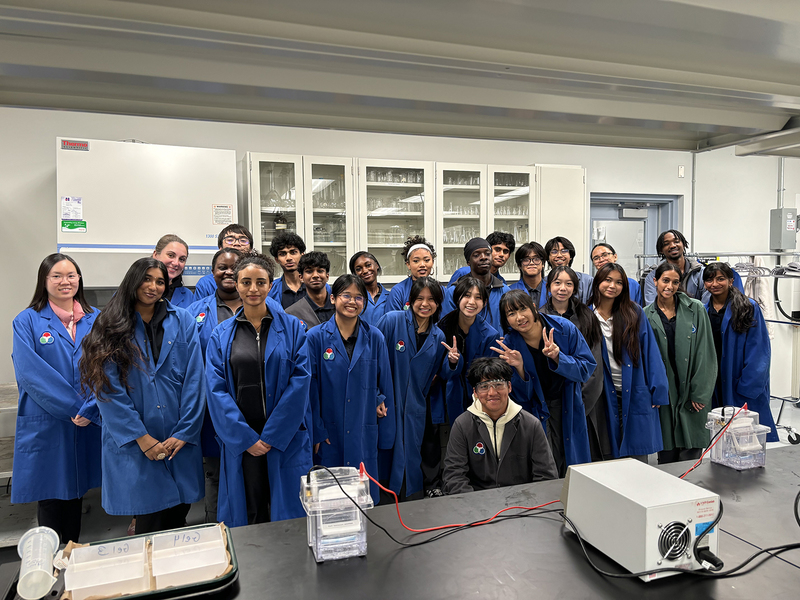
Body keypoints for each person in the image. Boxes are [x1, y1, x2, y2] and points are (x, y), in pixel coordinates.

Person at [80, 258, 205, 534]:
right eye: (147, 279)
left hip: (177, 438)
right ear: (133, 282)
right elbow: (107, 389)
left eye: (160, 281)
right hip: (136, 441)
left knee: (177, 520)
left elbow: (195, 379)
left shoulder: (182, 319)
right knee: (148, 523)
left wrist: (185, 432)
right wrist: (143, 439)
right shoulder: (110, 323)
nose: (153, 287)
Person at [205, 255, 313, 526]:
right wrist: (246, 438)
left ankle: (289, 567)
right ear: (237, 285)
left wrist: (273, 435)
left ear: (270, 285)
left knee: (287, 512)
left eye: (260, 282)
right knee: (250, 511)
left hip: (283, 436)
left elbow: (300, 382)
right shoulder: (220, 335)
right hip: (243, 439)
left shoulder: (293, 328)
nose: (253, 289)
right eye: (246, 282)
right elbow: (216, 390)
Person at [11, 254, 101, 543]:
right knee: (50, 492)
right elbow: (30, 373)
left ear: (79, 279)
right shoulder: (27, 321)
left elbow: (108, 366)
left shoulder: (96, 319)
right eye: (57, 276)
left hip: (87, 418)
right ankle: (50, 560)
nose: (65, 281)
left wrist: (92, 408)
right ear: (44, 281)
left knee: (75, 490)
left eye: (71, 275)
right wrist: (77, 408)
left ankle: (70, 556)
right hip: (49, 419)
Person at [307, 274, 396, 502]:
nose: (352, 302)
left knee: (363, 495)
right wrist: (317, 429)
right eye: (346, 295)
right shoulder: (315, 338)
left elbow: (383, 381)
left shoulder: (374, 337)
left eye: (359, 297)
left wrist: (378, 398)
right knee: (329, 499)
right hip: (329, 430)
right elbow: (309, 389)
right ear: (333, 299)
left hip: (362, 428)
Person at [376, 277, 462, 500]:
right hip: (386, 402)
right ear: (411, 300)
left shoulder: (438, 336)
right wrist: (376, 396)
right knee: (384, 453)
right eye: (420, 299)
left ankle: (410, 500)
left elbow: (440, 373)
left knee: (412, 454)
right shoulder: (391, 321)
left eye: (431, 300)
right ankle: (382, 499)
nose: (425, 304)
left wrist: (452, 361)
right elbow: (371, 358)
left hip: (415, 406)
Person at [493, 289, 595, 476]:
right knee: (543, 464)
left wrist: (558, 358)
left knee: (572, 461)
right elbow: (519, 396)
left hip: (567, 404)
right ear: (505, 320)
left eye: (522, 309)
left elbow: (586, 369)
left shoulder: (563, 328)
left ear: (533, 308)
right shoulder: (509, 345)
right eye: (511, 313)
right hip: (534, 411)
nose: (519, 317)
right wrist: (520, 368)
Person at [185, 247, 243, 523]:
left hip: (252, 403)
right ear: (212, 273)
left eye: (235, 267)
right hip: (211, 407)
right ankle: (215, 527)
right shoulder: (194, 312)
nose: (228, 272)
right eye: (222, 267)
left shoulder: (263, 306)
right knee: (216, 470)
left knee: (252, 469)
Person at [442, 358, 557, 494]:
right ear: (475, 392)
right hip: (476, 504)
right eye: (484, 386)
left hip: (521, 503)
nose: (492, 393)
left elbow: (546, 477)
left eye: (498, 384)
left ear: (509, 387)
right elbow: (454, 476)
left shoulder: (531, 425)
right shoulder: (462, 424)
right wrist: (474, 508)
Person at [590, 263, 669, 461]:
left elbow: (650, 352)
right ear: (598, 281)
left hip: (635, 390)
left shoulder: (634, 313)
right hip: (602, 394)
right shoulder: (587, 315)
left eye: (618, 282)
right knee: (607, 454)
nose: (612, 286)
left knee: (637, 456)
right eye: (607, 280)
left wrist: (657, 391)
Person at [644, 263, 716, 464]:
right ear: (655, 281)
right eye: (665, 280)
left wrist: (700, 392)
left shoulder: (696, 309)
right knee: (666, 455)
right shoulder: (645, 315)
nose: (670, 286)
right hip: (665, 394)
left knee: (691, 455)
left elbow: (706, 353)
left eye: (675, 282)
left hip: (692, 393)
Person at [542, 266, 611, 462]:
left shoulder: (587, 318)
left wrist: (581, 402)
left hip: (582, 401)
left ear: (576, 288)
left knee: (580, 457)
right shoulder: (540, 317)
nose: (562, 288)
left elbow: (594, 365)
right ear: (548, 287)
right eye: (557, 283)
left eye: (568, 284)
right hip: (551, 400)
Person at [702, 262, 778, 441]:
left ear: (731, 280)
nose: (715, 284)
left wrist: (748, 385)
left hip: (739, 382)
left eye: (720, 279)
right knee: (719, 436)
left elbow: (759, 351)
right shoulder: (703, 311)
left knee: (746, 436)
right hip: (714, 382)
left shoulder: (747, 308)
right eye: (709, 279)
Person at [438, 277, 499, 425]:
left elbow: (489, 374)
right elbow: (439, 371)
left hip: (479, 401)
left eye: (478, 298)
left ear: (484, 303)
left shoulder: (491, 335)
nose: (471, 302)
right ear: (457, 298)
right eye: (466, 295)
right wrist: (452, 362)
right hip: (445, 398)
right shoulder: (442, 328)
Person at [642, 229, 744, 304]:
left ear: (684, 244)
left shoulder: (701, 273)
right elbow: (652, 306)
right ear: (661, 250)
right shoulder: (652, 277)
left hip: (698, 324)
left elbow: (707, 304)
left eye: (676, 241)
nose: (673, 245)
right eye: (666, 243)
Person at [442, 238, 510, 332]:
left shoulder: (504, 291)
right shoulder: (454, 292)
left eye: (487, 253)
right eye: (476, 255)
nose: (483, 257)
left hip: (497, 345)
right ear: (468, 262)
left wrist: (507, 339)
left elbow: (511, 325)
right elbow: (446, 327)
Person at [193, 225, 254, 298]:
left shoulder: (262, 280)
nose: (237, 244)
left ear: (250, 250)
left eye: (243, 241)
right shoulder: (206, 283)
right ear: (220, 248)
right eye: (230, 240)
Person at [285, 252, 334, 330]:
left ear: (327, 276)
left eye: (320, 271)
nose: (315, 275)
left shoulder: (340, 306)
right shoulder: (292, 313)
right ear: (301, 277)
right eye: (309, 271)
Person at [386, 236, 437, 311]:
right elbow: (393, 320)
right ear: (408, 264)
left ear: (432, 262)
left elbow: (445, 319)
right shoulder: (398, 292)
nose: (422, 265)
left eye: (426, 260)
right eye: (416, 261)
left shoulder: (441, 290)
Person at [448, 231, 515, 286]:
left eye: (505, 251)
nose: (501, 254)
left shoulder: (502, 282)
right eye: (497, 250)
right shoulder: (463, 273)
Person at [545, 236, 593, 304]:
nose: (559, 255)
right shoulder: (543, 283)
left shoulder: (587, 281)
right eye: (554, 251)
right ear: (548, 258)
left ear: (570, 256)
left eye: (564, 251)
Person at [268, 232, 310, 308]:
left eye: (293, 252)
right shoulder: (271, 290)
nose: (288, 258)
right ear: (277, 259)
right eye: (283, 254)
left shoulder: (319, 286)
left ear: (302, 255)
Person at [153, 234, 193, 308]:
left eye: (182, 259)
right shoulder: (140, 288)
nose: (176, 263)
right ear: (155, 255)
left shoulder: (188, 296)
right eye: (171, 255)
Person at [350, 251, 388, 326]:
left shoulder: (390, 297)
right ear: (354, 274)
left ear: (376, 265)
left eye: (368, 265)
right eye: (358, 269)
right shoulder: (353, 299)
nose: (365, 271)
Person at [509, 242, 548, 308]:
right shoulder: (510, 291)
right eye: (526, 260)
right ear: (519, 265)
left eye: (536, 259)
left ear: (543, 263)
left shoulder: (553, 290)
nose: (532, 263)